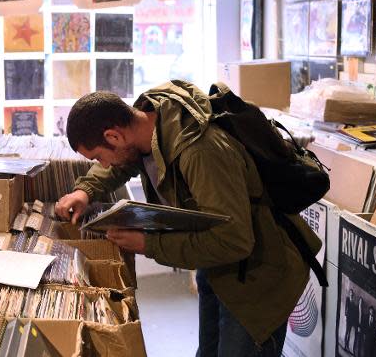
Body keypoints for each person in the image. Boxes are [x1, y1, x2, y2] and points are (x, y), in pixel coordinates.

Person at [55, 81, 321, 356]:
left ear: (114, 136)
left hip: (259, 278)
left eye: (99, 157)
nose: (105, 165)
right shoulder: (148, 124)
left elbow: (235, 241)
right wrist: (84, 191)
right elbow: (123, 164)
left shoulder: (201, 152)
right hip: (219, 269)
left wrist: (149, 245)